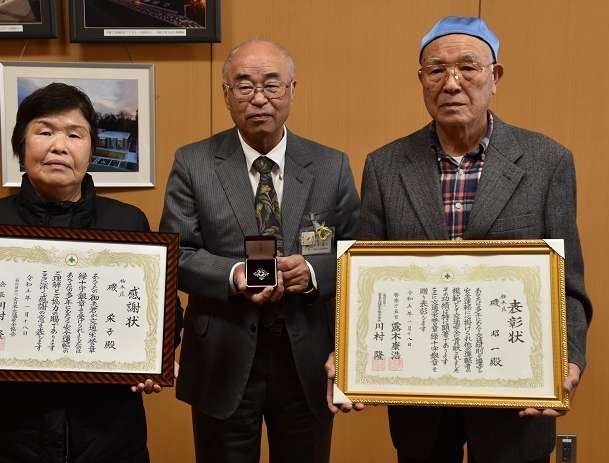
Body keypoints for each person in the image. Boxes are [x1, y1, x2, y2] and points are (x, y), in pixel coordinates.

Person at [327, 16, 593, 463]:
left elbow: (568, 284)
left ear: (495, 77)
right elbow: (361, 281)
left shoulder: (548, 161)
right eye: (436, 70)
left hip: (517, 403)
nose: (451, 83)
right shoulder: (385, 165)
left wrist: (569, 362)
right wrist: (346, 353)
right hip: (421, 405)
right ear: (421, 80)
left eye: (468, 68)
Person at [0, 82, 178, 462]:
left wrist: (158, 355)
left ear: (91, 149)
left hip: (109, 437)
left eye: (75, 134)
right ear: (21, 145)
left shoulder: (127, 222)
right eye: (44, 131)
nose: (59, 146)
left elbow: (164, 309)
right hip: (6, 437)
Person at [160, 39, 360, 463]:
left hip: (306, 354)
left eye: (272, 85)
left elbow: (355, 255)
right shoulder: (193, 163)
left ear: (292, 90)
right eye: (245, 86)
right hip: (223, 353)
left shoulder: (331, 166)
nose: (259, 99)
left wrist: (313, 272)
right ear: (226, 95)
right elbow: (178, 254)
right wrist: (234, 276)